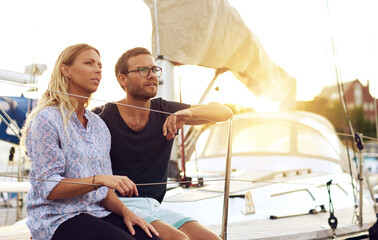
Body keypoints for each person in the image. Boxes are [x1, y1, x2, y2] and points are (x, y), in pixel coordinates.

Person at [20, 44, 160, 240]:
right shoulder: (47, 119)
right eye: (89, 63)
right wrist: (100, 179)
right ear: (65, 70)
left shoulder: (98, 125)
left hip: (96, 212)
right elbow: (49, 188)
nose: (98, 70)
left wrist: (126, 212)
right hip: (57, 217)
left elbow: (105, 192)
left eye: (100, 66)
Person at [93, 47, 233, 240]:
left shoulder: (165, 110)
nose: (151, 75)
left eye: (154, 69)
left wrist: (188, 113)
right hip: (115, 205)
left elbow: (223, 111)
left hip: (153, 205)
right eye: (143, 70)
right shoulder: (101, 117)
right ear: (122, 79)